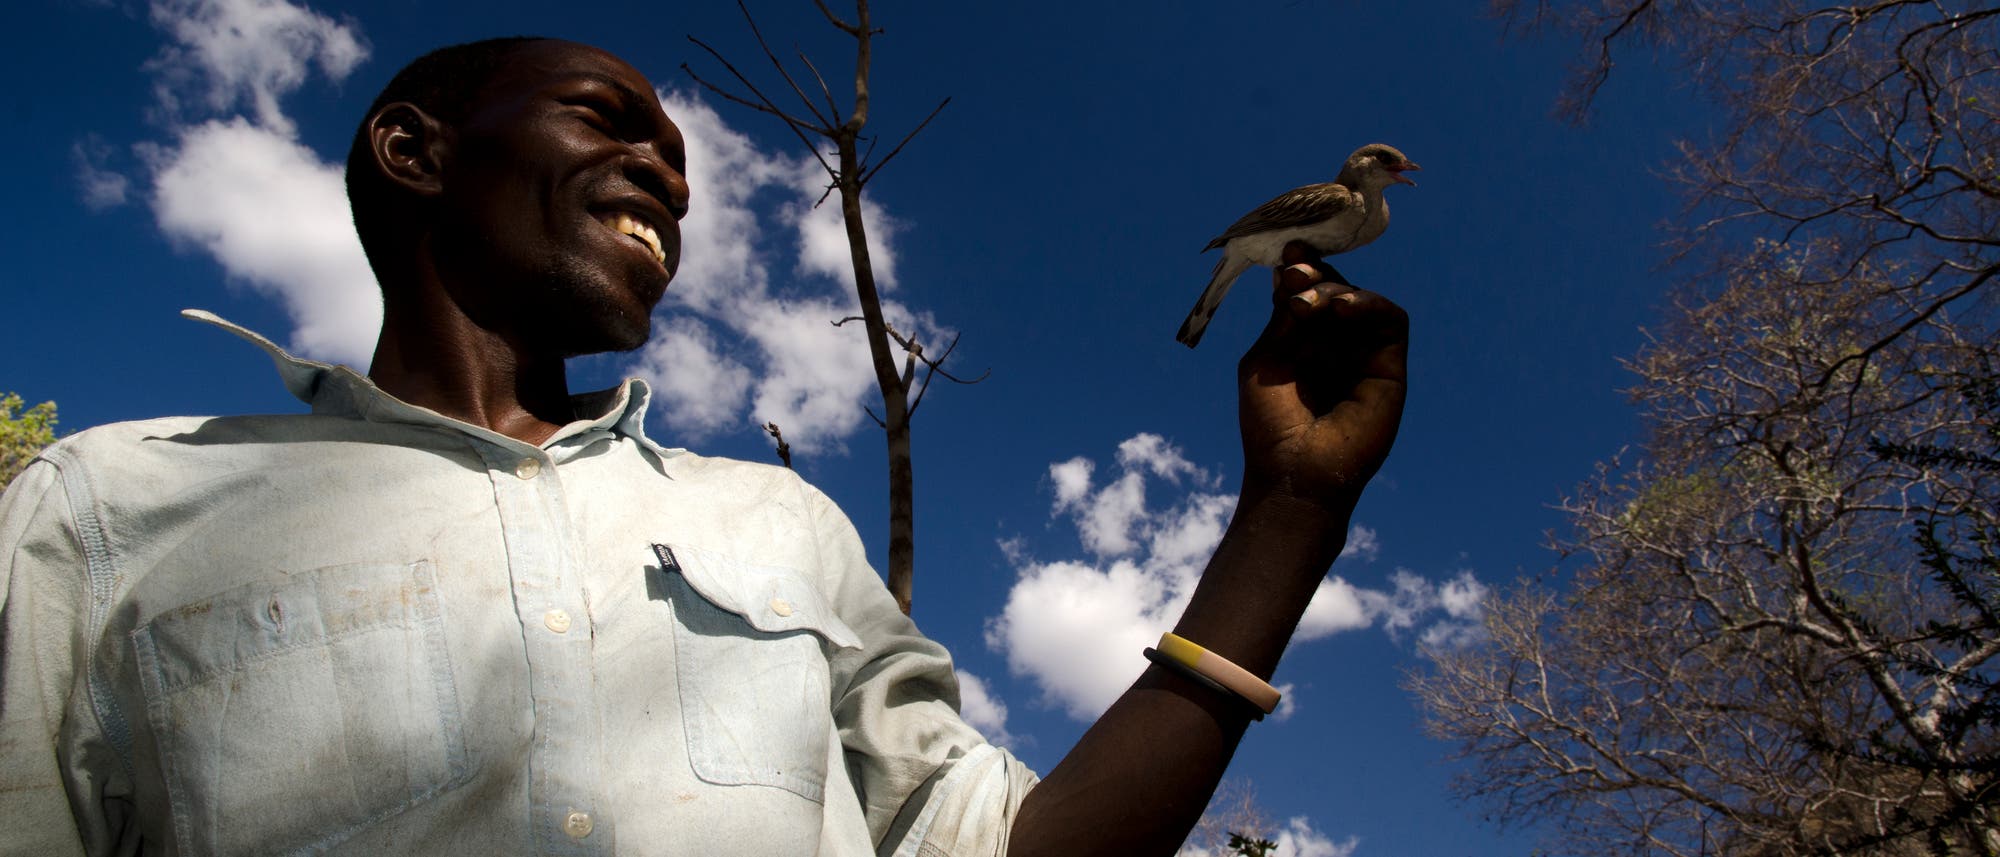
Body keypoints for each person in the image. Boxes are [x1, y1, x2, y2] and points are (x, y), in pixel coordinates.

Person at [0, 37, 1408, 856]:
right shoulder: (110, 509)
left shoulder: (782, 528)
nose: (671, 174)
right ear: (413, 152)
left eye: (681, 155)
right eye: (613, 121)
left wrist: (1288, 516)